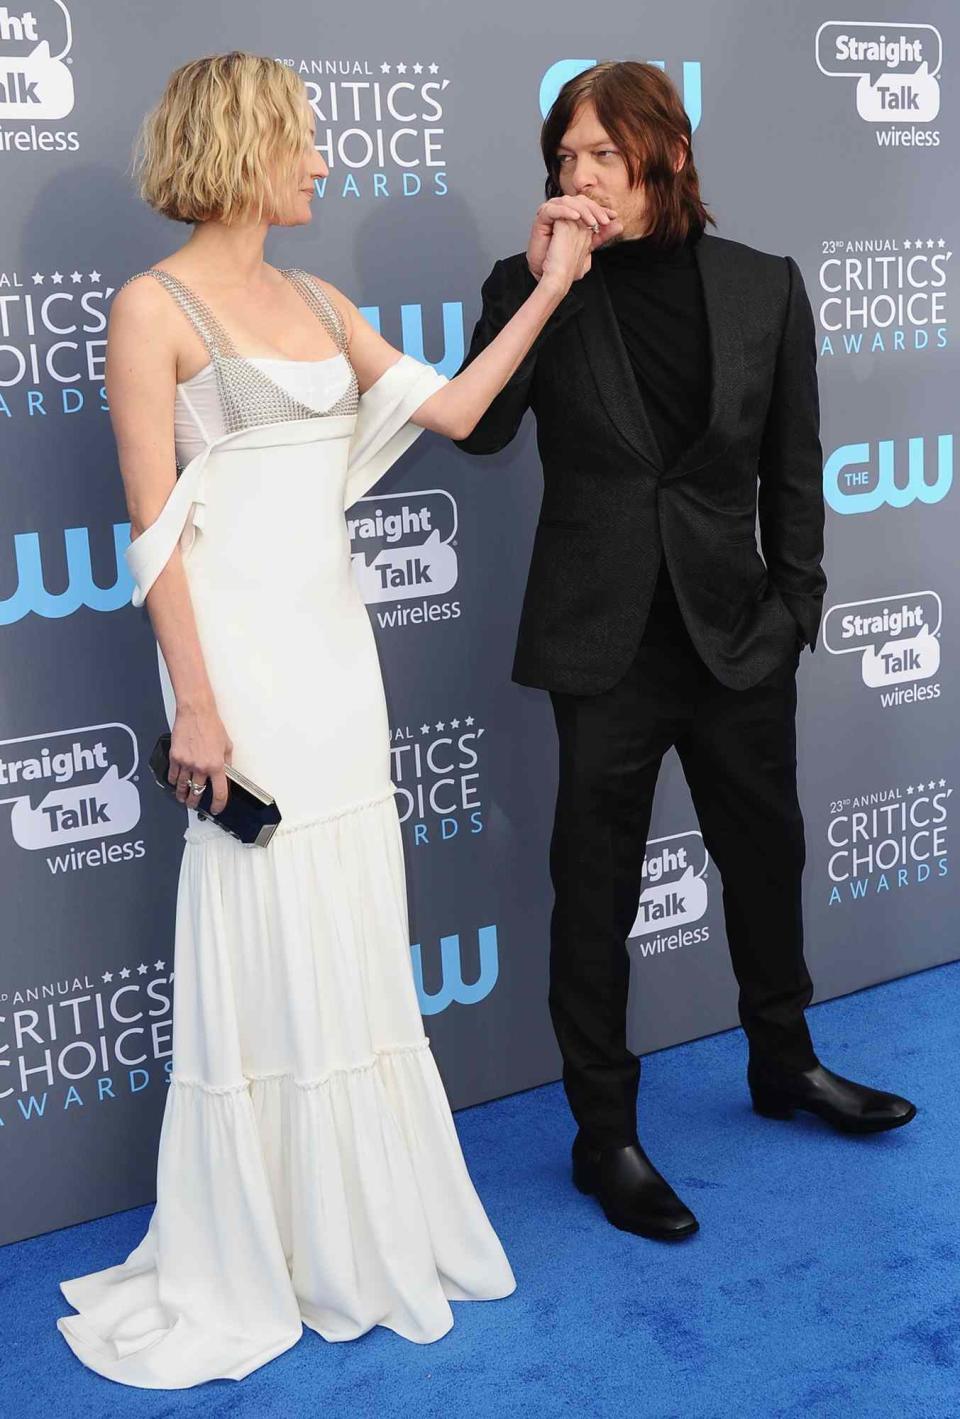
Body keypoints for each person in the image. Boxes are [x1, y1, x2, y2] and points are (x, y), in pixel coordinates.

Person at [55, 52, 597, 1388]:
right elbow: (154, 532)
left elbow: (465, 411)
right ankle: (260, 1240)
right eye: (301, 143)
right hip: (238, 667)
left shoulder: (318, 298)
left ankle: (350, 1224)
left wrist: (550, 286)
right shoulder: (151, 307)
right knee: (264, 919)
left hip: (337, 663)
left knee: (348, 925)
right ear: (244, 149)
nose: (322, 163)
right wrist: (196, 699)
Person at [455, 61, 916, 1243]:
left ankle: (786, 1064)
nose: (579, 177)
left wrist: (794, 610)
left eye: (600, 155)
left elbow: (795, 473)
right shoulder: (527, 283)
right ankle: (602, 1135)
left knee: (765, 860)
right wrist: (549, 284)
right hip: (600, 644)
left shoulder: (762, 286)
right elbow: (482, 427)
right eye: (564, 159)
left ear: (664, 154)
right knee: (594, 895)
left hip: (735, 636)